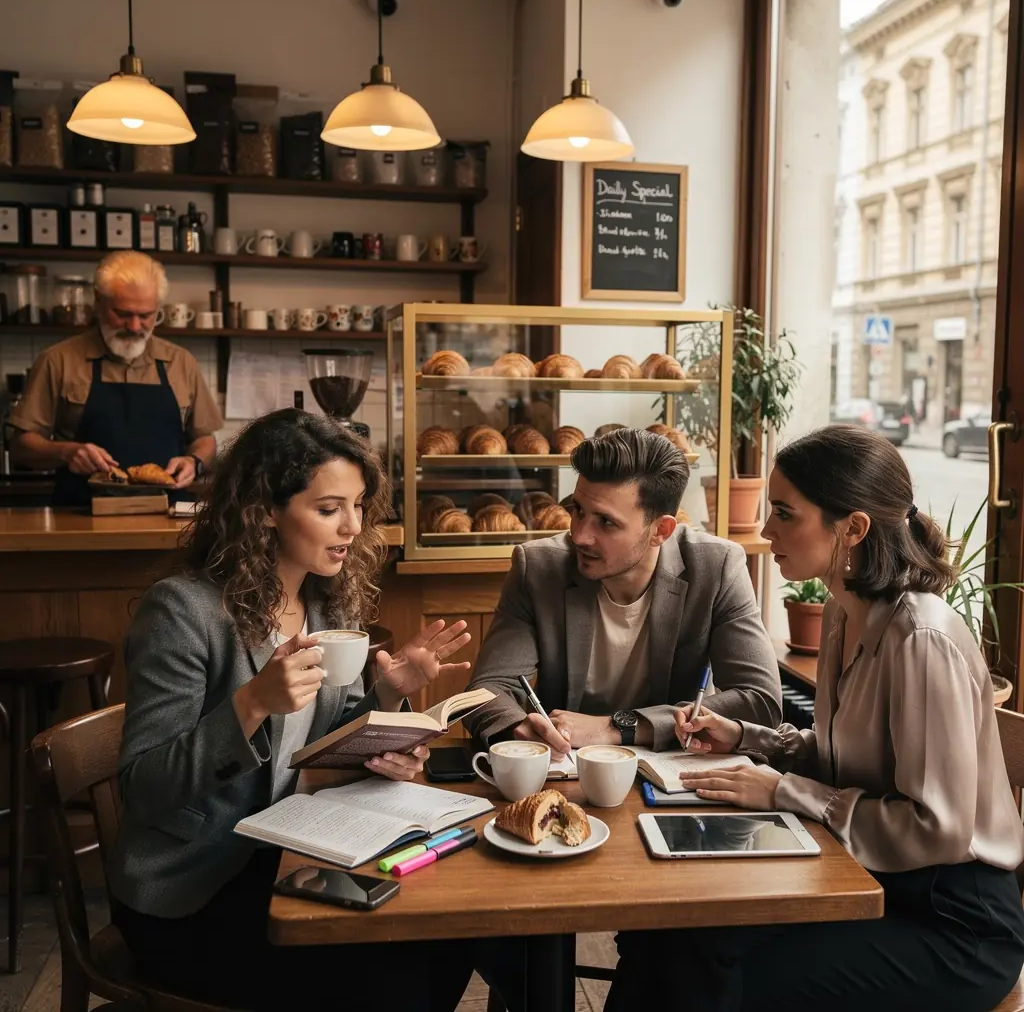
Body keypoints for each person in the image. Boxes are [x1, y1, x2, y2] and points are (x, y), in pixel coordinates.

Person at [608, 424, 1024, 1012]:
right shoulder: (841, 613)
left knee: (723, 976)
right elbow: (841, 756)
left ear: (852, 528)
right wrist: (746, 737)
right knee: (673, 937)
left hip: (954, 924)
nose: (764, 528)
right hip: (869, 879)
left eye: (785, 512)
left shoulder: (922, 638)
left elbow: (938, 828)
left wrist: (783, 791)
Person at [108, 409, 477, 1012]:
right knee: (390, 981)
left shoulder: (324, 603)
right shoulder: (183, 612)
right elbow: (144, 788)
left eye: (359, 506)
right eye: (329, 509)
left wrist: (389, 695)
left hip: (282, 856)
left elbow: (315, 744)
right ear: (264, 511)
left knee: (448, 937)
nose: (353, 527)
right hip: (194, 888)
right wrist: (250, 704)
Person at [466, 427, 782, 755]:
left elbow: (760, 701)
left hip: (672, 772)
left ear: (661, 530)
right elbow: (488, 690)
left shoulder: (716, 567)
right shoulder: (538, 567)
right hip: (565, 768)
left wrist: (615, 727)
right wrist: (517, 726)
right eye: (578, 510)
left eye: (606, 523)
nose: (580, 536)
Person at [7, 250, 222, 506]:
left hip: (166, 515)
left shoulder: (181, 362)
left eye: (145, 316)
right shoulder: (58, 360)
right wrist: (66, 452)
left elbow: (205, 439)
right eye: (122, 313)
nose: (134, 327)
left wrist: (194, 462)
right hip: (81, 515)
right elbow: (21, 445)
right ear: (98, 302)